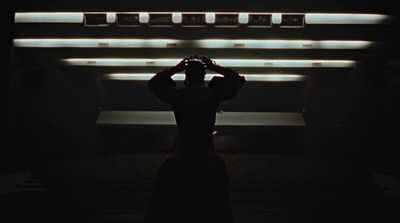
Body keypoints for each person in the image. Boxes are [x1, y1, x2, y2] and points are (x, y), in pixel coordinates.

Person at [143, 56, 245, 223]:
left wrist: (175, 69)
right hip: (207, 159)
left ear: (186, 76)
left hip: (182, 158)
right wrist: (215, 67)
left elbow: (153, 84)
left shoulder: (177, 96)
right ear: (204, 76)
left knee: (173, 208)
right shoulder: (213, 95)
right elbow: (239, 81)